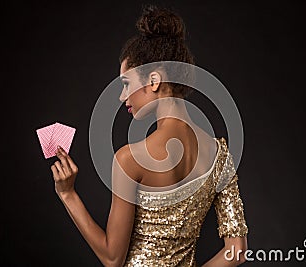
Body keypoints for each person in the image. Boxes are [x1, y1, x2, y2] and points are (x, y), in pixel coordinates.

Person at [51, 5, 248, 267]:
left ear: (153, 80)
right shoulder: (220, 156)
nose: (122, 97)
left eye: (125, 84)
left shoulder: (130, 159)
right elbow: (238, 250)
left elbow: (112, 258)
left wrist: (68, 195)